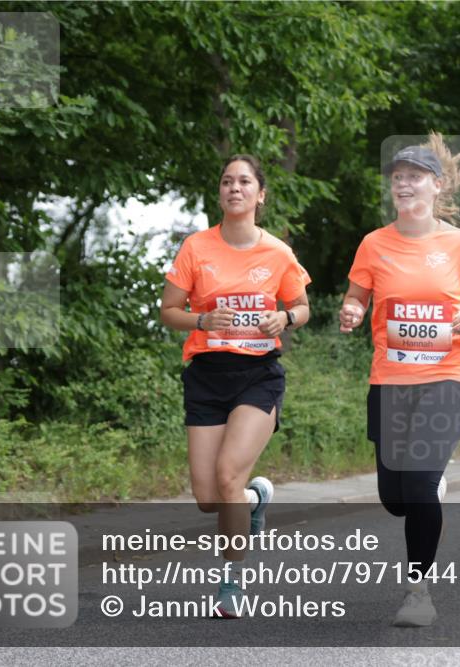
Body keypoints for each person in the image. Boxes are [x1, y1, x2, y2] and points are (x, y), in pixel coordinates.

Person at [339, 133, 460, 627]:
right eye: (397, 178)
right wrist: (350, 311)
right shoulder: (374, 243)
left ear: (436, 185)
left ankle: (418, 591)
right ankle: (424, 489)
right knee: (395, 498)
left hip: (448, 374)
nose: (403, 184)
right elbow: (357, 298)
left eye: (413, 177)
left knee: (422, 483)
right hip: (391, 378)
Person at [160, 154, 311, 617]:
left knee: (227, 474)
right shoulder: (196, 248)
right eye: (227, 181)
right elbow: (168, 312)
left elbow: (302, 308)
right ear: (220, 193)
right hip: (206, 376)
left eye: (245, 181)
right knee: (209, 499)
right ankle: (255, 499)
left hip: (257, 376)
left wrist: (284, 317)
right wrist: (202, 318)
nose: (235, 188)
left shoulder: (277, 253)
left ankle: (231, 582)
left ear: (260, 195)